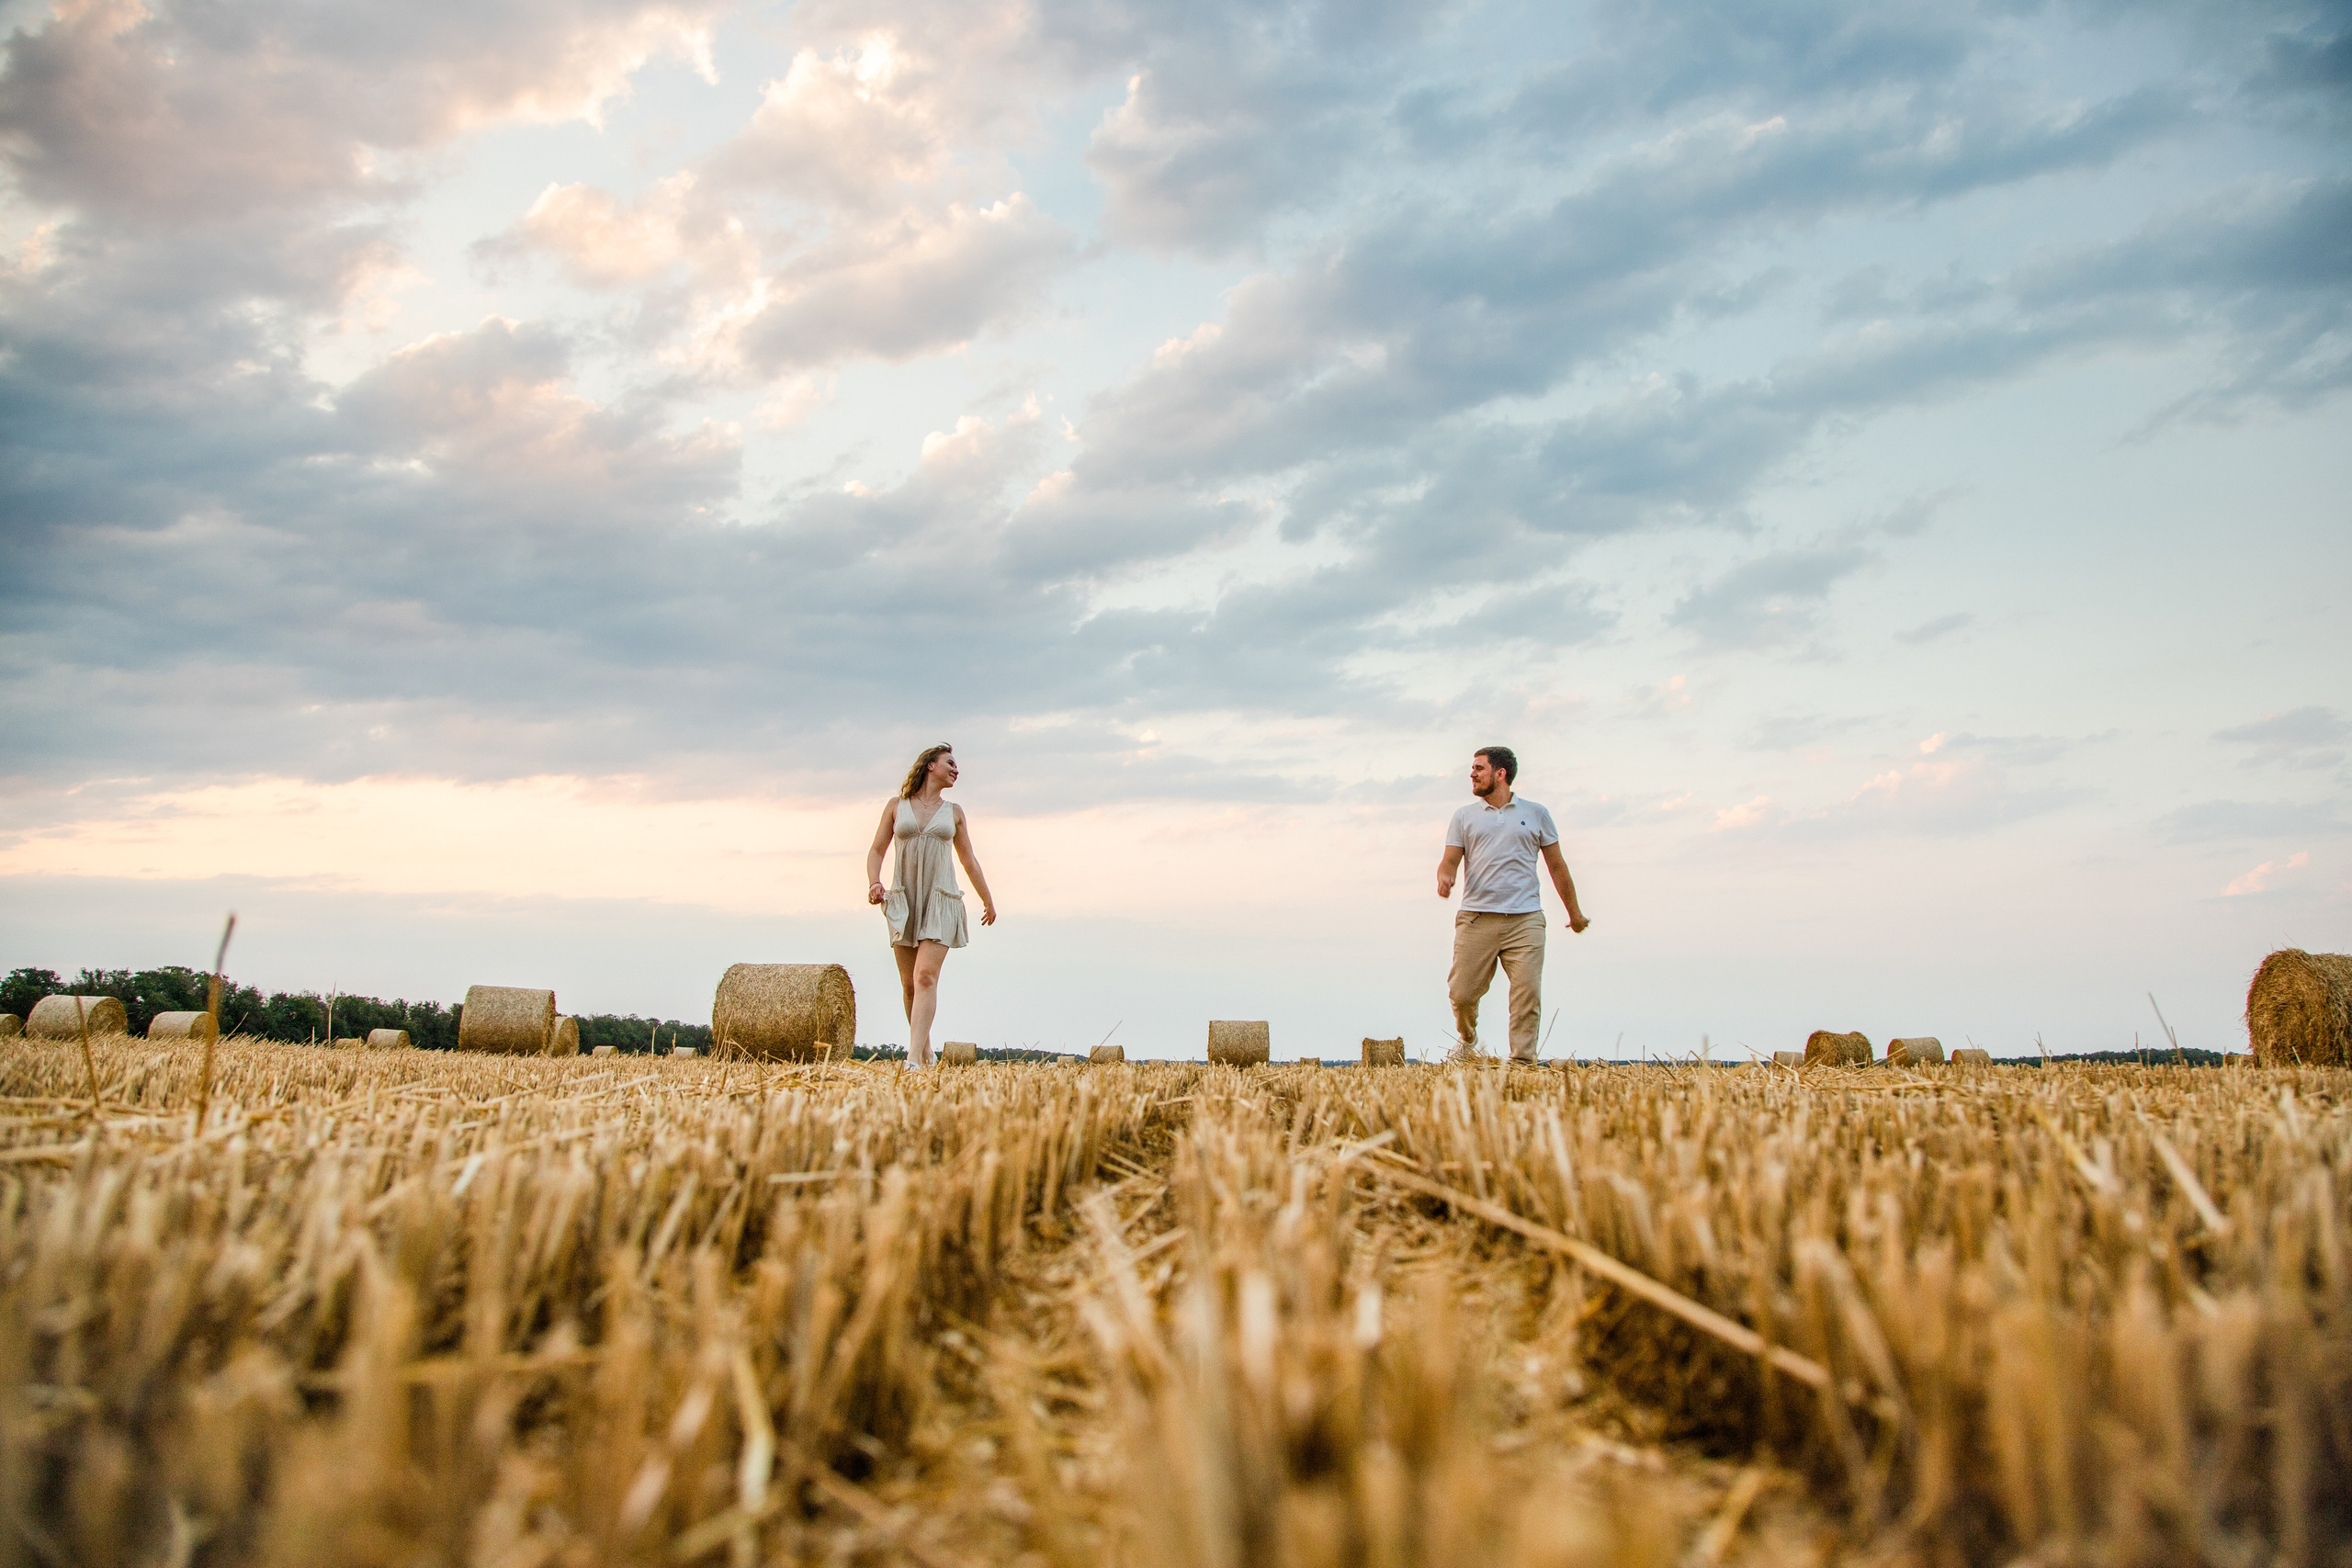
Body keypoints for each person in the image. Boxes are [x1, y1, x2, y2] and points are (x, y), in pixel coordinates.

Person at [1435, 746, 1589, 1063]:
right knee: (1462, 994)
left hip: (1526, 919)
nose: (1472, 774)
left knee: (1526, 994)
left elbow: (1557, 866)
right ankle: (1468, 1039)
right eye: (1473, 768)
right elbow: (1449, 860)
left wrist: (1574, 914)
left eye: (1479, 768)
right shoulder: (1464, 816)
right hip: (1477, 918)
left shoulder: (1536, 814)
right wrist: (1446, 877)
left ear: (1500, 773)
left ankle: (1522, 1061)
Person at [866, 743, 998, 1068]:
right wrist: (874, 881)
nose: (956, 769)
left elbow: (970, 861)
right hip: (904, 899)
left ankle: (912, 1060)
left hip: (940, 900)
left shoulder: (953, 813)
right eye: (950, 763)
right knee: (910, 985)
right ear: (929, 766)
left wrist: (987, 900)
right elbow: (876, 850)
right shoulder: (897, 806)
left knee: (925, 976)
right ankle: (925, 1053)